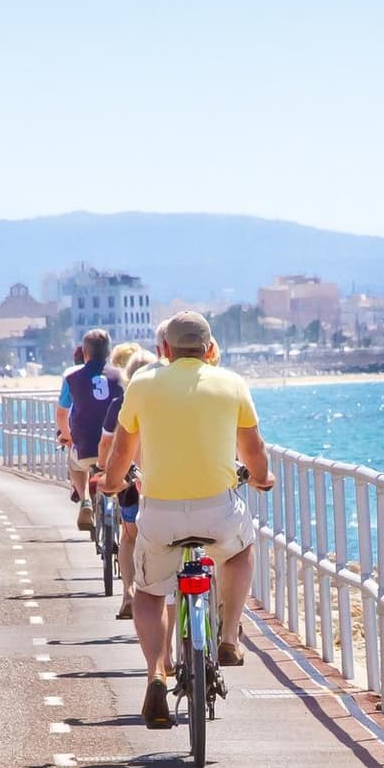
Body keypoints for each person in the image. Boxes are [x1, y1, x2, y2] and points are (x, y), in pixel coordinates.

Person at [101, 312, 273, 728]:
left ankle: (156, 674)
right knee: (241, 550)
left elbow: (121, 455)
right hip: (218, 510)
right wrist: (264, 479)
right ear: (210, 349)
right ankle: (229, 637)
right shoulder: (231, 383)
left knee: (148, 592)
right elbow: (253, 450)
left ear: (164, 350)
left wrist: (111, 484)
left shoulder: (142, 385)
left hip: (160, 514)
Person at [96, 345, 154, 620]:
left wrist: (103, 469)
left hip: (130, 479)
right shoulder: (165, 399)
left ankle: (128, 593)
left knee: (129, 535)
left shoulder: (120, 404)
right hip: (161, 480)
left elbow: (108, 444)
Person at [55, 329, 122, 534]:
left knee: (74, 462)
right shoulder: (121, 377)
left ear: (85, 353)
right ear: (109, 352)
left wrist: (66, 436)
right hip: (115, 449)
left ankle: (84, 500)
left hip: (85, 448)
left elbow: (61, 415)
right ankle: (119, 506)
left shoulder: (72, 377)